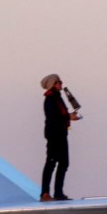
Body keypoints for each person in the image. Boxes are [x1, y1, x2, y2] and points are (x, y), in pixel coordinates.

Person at [40, 73, 80, 202]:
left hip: (61, 134)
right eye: (59, 82)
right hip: (54, 135)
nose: (61, 84)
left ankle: (58, 193)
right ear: (54, 84)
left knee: (63, 163)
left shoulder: (57, 97)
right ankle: (45, 193)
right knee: (51, 163)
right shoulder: (50, 99)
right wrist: (69, 116)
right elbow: (53, 117)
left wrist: (69, 116)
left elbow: (59, 115)